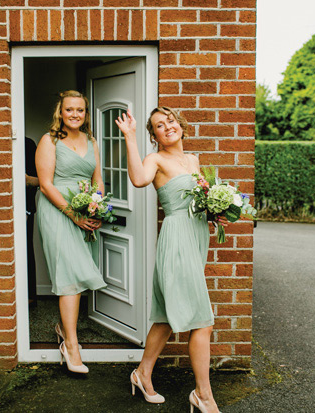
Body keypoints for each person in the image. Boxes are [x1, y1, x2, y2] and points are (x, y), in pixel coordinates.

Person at [115, 107, 222, 413]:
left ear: (181, 125)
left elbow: (199, 201)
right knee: (202, 321)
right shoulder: (155, 160)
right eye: (159, 126)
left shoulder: (193, 161)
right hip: (176, 242)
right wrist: (130, 137)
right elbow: (137, 179)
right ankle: (203, 395)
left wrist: (216, 212)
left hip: (196, 239)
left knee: (163, 318)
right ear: (155, 136)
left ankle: (142, 374)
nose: (168, 127)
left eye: (170, 121)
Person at [35, 90, 107, 374]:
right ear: (60, 113)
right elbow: (46, 185)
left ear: (85, 114)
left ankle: (63, 331)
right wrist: (73, 214)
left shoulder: (91, 141)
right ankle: (72, 346)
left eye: (80, 110)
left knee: (76, 273)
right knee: (70, 276)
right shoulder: (49, 140)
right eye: (69, 110)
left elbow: (98, 179)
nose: (75, 114)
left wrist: (96, 206)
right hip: (57, 210)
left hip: (83, 210)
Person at [25, 137, 39, 308]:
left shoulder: (28, 144)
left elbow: (35, 179)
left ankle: (30, 296)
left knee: (27, 250)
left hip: (26, 208)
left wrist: (27, 210)